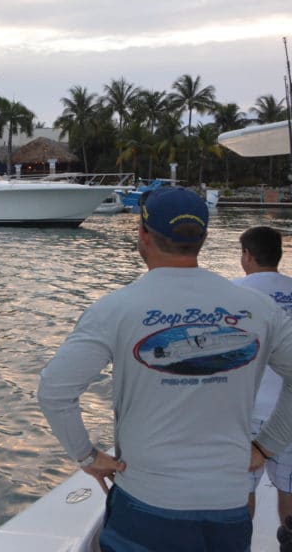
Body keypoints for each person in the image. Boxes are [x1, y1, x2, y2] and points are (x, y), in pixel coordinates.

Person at [37, 186, 292, 551]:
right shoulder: (261, 308)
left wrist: (87, 456)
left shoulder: (116, 308)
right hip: (228, 503)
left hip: (145, 502)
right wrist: (268, 446)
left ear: (143, 234)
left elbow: (55, 390)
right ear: (203, 238)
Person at [236, 226, 292, 523]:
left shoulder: (230, 295)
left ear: (247, 255)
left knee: (241, 495)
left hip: (246, 414)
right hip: (290, 412)